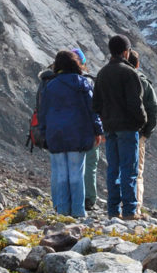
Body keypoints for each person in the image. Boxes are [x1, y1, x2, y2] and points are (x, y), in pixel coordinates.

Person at [39, 49, 102, 218]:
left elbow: (43, 112)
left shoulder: (50, 85)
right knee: (76, 173)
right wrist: (98, 130)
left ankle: (61, 210)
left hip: (56, 135)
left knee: (60, 173)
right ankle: (78, 211)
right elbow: (93, 110)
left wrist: (43, 132)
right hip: (78, 134)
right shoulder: (83, 83)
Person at [93, 34, 147, 219]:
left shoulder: (102, 73)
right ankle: (130, 211)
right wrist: (141, 121)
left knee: (113, 169)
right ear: (126, 52)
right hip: (128, 127)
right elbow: (135, 103)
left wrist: (106, 120)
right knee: (129, 169)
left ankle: (113, 210)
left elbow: (96, 105)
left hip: (110, 127)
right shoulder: (129, 73)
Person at [128, 48, 157, 213]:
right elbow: (153, 109)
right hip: (138, 133)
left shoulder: (113, 78)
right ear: (138, 64)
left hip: (115, 131)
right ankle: (135, 208)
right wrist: (147, 132)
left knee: (118, 169)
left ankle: (117, 208)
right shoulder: (143, 82)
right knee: (136, 172)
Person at [70, 45, 100, 211]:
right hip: (87, 129)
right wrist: (99, 130)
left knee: (71, 164)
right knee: (89, 165)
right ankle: (89, 199)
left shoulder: (57, 82)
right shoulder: (88, 82)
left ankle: (72, 198)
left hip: (68, 130)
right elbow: (95, 108)